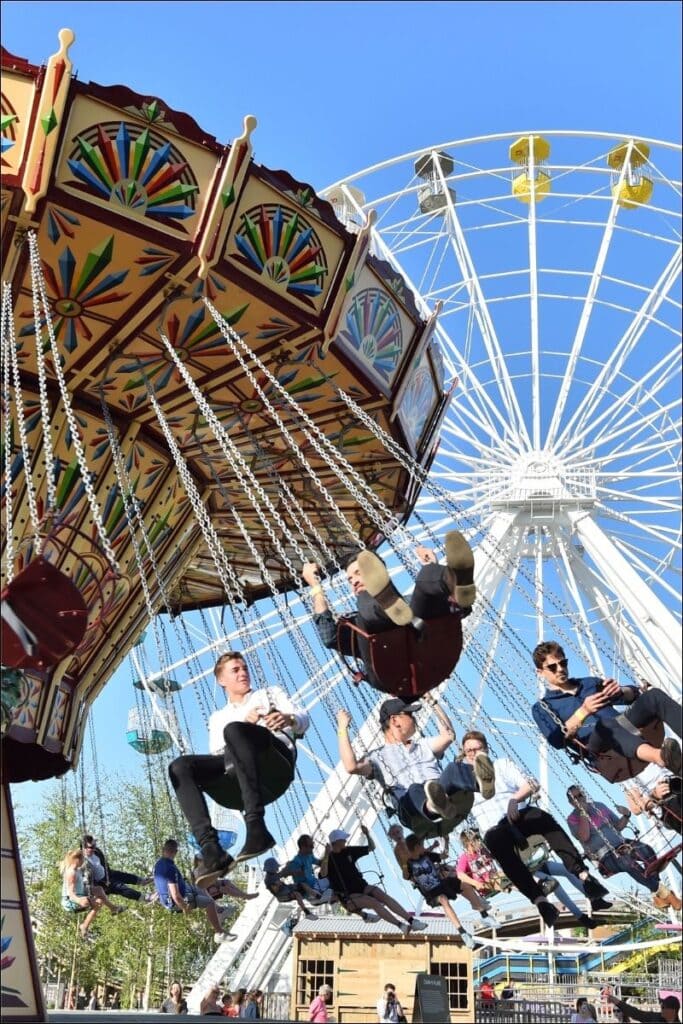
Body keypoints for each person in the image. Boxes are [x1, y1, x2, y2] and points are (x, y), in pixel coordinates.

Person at [169, 651, 309, 884]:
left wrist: (288, 719)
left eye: (244, 668)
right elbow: (218, 753)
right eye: (235, 670)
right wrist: (244, 724)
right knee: (179, 766)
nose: (243, 673)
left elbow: (303, 718)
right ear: (221, 680)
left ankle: (256, 826)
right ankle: (211, 850)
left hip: (274, 763)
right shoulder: (217, 717)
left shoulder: (269, 694)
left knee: (234, 730)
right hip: (235, 778)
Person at [460, 731, 611, 927]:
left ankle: (584, 876)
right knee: (501, 852)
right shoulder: (464, 783)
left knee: (545, 820)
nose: (473, 754)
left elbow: (531, 783)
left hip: (518, 814)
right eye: (468, 751)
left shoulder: (501, 765)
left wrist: (515, 800)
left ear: (486, 749)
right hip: (494, 828)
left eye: (477, 749)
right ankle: (540, 902)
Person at [302, 530, 476, 691]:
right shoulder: (356, 624)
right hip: (392, 675)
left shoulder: (410, 602)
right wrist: (316, 587)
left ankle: (455, 583)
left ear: (379, 572)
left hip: (428, 657)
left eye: (359, 573)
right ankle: (388, 606)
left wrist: (434, 567)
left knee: (426, 578)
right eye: (350, 579)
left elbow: (449, 613)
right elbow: (329, 637)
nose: (354, 581)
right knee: (366, 603)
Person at [337, 695, 495, 836]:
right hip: (413, 812)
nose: (415, 719)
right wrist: (342, 729)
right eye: (410, 714)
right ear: (394, 720)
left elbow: (448, 735)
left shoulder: (423, 745)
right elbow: (351, 766)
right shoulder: (376, 757)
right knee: (414, 789)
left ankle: (481, 783)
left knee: (453, 768)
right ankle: (432, 807)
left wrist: (432, 701)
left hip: (444, 795)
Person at [531, 642, 682, 776]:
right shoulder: (543, 707)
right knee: (605, 725)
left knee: (654, 696)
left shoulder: (589, 683)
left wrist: (621, 691)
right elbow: (556, 740)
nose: (560, 669)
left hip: (623, 726)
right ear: (540, 672)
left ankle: (674, 762)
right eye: (552, 667)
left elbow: (633, 695)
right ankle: (660, 757)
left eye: (563, 663)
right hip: (599, 750)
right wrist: (583, 712)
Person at [566, 785, 673, 900]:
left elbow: (618, 826)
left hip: (621, 844)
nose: (579, 799)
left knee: (646, 850)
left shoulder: (599, 806)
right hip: (604, 856)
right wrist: (583, 814)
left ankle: (655, 890)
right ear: (571, 802)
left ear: (584, 794)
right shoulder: (572, 819)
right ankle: (660, 891)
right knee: (626, 861)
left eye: (580, 795)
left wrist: (626, 815)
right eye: (575, 798)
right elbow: (584, 837)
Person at [319, 825, 426, 933]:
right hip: (348, 897)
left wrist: (367, 834)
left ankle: (412, 921)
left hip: (362, 887)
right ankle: (400, 925)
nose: (345, 840)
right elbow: (323, 873)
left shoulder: (348, 851)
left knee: (382, 895)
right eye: (343, 839)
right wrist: (326, 855)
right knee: (373, 902)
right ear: (337, 841)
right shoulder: (329, 858)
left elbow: (371, 847)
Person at [404, 833, 487, 947]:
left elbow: (444, 856)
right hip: (432, 894)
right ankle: (463, 933)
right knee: (443, 899)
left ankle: (483, 912)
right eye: (422, 846)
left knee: (463, 883)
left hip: (442, 885)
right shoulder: (409, 864)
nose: (424, 848)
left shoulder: (427, 855)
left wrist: (446, 842)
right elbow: (405, 875)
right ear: (417, 847)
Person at [153, 838, 232, 944]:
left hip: (179, 893)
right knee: (209, 903)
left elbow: (160, 880)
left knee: (199, 886)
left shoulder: (158, 864)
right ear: (175, 852)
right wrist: (185, 908)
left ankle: (220, 910)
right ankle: (219, 934)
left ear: (163, 850)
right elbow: (176, 895)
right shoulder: (170, 868)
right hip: (176, 901)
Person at [60, 848, 124, 939]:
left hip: (81, 893)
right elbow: (70, 893)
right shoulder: (71, 873)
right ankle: (84, 926)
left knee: (99, 889)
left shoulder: (77, 869)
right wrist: (79, 900)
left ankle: (113, 908)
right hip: (70, 902)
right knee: (99, 901)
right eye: (83, 859)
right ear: (78, 859)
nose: (84, 861)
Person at [81, 832, 154, 903]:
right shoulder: (81, 859)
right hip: (101, 883)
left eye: (95, 846)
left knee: (123, 875)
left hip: (107, 874)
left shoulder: (96, 852)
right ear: (84, 848)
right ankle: (144, 897)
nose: (94, 848)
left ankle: (142, 881)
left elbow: (104, 865)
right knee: (120, 887)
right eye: (91, 847)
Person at [282, 835, 334, 903]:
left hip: (316, 884)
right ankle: (320, 896)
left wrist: (327, 853)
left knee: (334, 880)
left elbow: (320, 863)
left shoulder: (309, 855)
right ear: (303, 847)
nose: (313, 848)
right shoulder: (296, 861)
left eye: (313, 845)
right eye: (311, 846)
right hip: (309, 892)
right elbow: (284, 874)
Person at [456, 830, 510, 896]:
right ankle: (508, 884)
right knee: (505, 879)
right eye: (476, 840)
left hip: (495, 877)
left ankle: (509, 884)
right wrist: (475, 883)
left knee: (508, 874)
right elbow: (460, 875)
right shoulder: (465, 857)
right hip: (484, 885)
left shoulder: (482, 850)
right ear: (470, 843)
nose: (479, 842)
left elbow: (493, 859)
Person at [608, 993, 681, 1023]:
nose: (661, 1008)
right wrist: (615, 1001)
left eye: (663, 1007)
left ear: (673, 1011)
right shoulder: (655, 1018)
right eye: (661, 1006)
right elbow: (636, 1013)